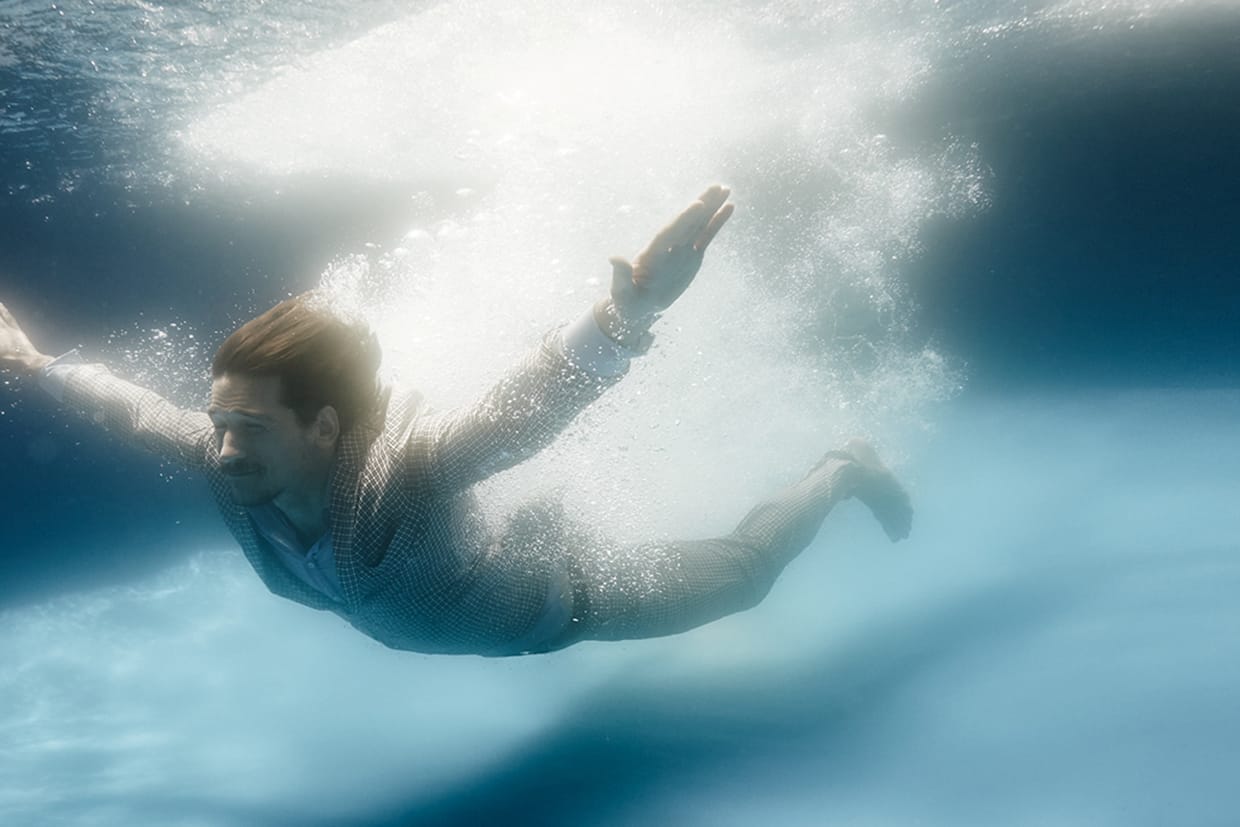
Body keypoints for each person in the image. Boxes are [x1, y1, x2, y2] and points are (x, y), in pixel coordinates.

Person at [0, 185, 911, 656]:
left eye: (251, 428)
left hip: (566, 607)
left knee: (744, 577)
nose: (223, 447)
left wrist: (627, 316)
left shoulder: (408, 468)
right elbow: (134, 411)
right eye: (220, 421)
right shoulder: (225, 458)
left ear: (324, 428)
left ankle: (841, 464)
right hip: (480, 586)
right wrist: (39, 364)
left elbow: (523, 410)